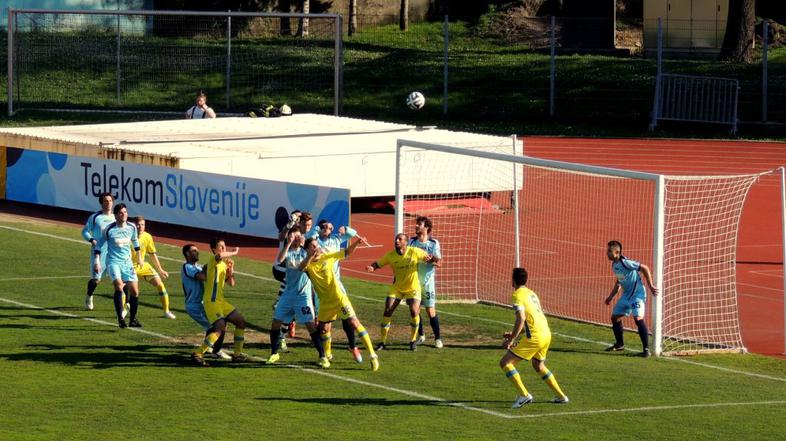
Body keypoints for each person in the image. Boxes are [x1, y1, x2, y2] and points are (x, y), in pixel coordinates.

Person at [300, 236, 379, 371]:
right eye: (313, 246)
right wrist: (310, 256)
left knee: (354, 322)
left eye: (317, 245)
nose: (316, 248)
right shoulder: (308, 265)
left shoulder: (328, 257)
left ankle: (372, 355)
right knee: (323, 329)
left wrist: (356, 243)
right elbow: (301, 268)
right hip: (325, 302)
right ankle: (327, 355)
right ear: (307, 249)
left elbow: (346, 252)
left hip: (339, 298)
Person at [499, 267, 569, 408]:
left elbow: (521, 319)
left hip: (535, 337)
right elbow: (532, 320)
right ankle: (561, 396)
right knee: (538, 365)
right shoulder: (532, 293)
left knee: (506, 363)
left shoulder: (517, 295)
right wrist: (515, 334)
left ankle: (524, 395)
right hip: (546, 334)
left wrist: (511, 339)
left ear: (513, 280)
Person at [267, 228, 329, 368]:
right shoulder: (288, 251)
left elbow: (312, 261)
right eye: (294, 236)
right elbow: (280, 260)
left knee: (310, 325)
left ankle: (323, 356)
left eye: (298, 236)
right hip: (288, 294)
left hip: (303, 296)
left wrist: (314, 252)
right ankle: (274, 353)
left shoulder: (306, 251)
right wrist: (288, 244)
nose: (297, 238)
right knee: (276, 322)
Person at [366, 233, 436, 351]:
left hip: (413, 287)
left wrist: (431, 259)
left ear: (406, 242)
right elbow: (378, 263)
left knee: (414, 311)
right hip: (397, 287)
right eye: (396, 239)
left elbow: (430, 258)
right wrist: (372, 267)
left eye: (400, 239)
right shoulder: (390, 255)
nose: (397, 241)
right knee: (388, 310)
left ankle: (412, 341)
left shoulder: (414, 251)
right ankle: (382, 342)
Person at [309, 219, 364, 363]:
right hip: (322, 288)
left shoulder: (336, 240)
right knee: (324, 326)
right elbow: (309, 236)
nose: (327, 229)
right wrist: (316, 229)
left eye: (329, 227)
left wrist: (345, 228)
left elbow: (353, 233)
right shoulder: (314, 242)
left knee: (347, 317)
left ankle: (353, 346)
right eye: (324, 227)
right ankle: (326, 353)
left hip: (337, 285)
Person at [191, 238, 249, 365]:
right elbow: (220, 256)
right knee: (219, 328)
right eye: (220, 246)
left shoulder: (223, 264)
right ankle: (198, 353)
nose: (223, 248)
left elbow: (231, 283)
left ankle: (237, 354)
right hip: (211, 301)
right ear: (214, 249)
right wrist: (234, 252)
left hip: (221, 301)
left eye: (224, 246)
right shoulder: (213, 260)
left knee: (241, 322)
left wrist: (231, 270)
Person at [604, 240, 659, 357]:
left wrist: (650, 286)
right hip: (626, 296)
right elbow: (619, 281)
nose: (607, 253)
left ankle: (646, 350)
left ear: (617, 252)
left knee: (638, 319)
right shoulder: (615, 265)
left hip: (637, 296)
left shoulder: (626, 263)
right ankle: (620, 344)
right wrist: (611, 296)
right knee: (615, 317)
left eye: (609, 251)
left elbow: (644, 268)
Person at [94, 203, 144, 328]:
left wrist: (139, 257)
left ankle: (132, 319)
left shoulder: (132, 227)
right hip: (113, 262)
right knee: (119, 286)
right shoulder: (109, 229)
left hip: (127, 263)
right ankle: (121, 319)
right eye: (121, 213)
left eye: (125, 212)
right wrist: (97, 261)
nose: (124, 215)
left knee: (135, 292)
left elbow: (135, 241)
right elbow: (99, 245)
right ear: (116, 215)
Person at [181, 244, 230, 363]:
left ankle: (210, 348)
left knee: (219, 324)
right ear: (187, 253)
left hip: (203, 304)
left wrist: (216, 265)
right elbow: (203, 277)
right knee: (217, 326)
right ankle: (214, 351)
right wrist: (212, 264)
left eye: (197, 250)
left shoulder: (197, 267)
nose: (197, 252)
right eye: (194, 251)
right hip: (194, 306)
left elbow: (207, 273)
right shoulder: (187, 267)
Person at [408, 216, 444, 348]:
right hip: (414, 283)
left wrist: (432, 260)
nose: (416, 226)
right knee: (414, 310)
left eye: (420, 224)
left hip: (428, 283)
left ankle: (438, 338)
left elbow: (440, 263)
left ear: (427, 228)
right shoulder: (411, 242)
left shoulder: (433, 243)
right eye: (416, 224)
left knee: (430, 311)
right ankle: (421, 335)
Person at [130, 216, 175, 319]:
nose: (140, 227)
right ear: (134, 226)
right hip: (129, 266)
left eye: (142, 225)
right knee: (130, 290)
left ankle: (166, 311)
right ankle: (123, 309)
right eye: (138, 225)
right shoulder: (128, 236)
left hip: (143, 266)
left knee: (160, 285)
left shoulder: (147, 236)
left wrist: (160, 270)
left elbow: (152, 254)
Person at [82, 192, 115, 311]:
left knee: (119, 280)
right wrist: (92, 240)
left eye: (110, 201)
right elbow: (85, 231)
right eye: (106, 201)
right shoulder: (95, 217)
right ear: (101, 203)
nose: (109, 203)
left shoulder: (116, 217)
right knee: (96, 280)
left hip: (113, 253)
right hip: (99, 253)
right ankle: (89, 296)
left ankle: (125, 304)